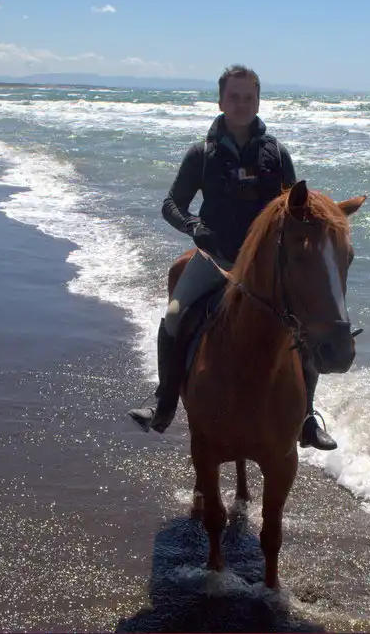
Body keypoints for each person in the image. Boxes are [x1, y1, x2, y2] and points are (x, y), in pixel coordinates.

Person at [127, 64, 338, 450]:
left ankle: (306, 417)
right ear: (221, 99)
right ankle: (164, 402)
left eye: (249, 97)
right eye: (234, 97)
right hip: (215, 258)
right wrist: (193, 226)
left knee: (303, 325)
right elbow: (171, 204)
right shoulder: (202, 154)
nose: (241, 104)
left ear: (258, 101)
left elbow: (296, 209)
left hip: (265, 268)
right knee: (175, 315)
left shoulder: (277, 154)